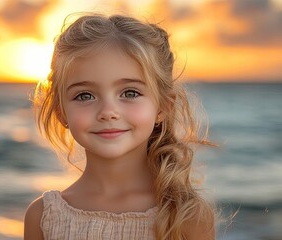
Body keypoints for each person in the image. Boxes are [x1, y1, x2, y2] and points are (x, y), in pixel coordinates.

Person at [24, 13, 215, 240]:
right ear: (60, 111)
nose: (108, 112)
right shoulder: (44, 217)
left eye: (130, 93)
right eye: (85, 96)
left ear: (163, 107)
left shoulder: (187, 216)